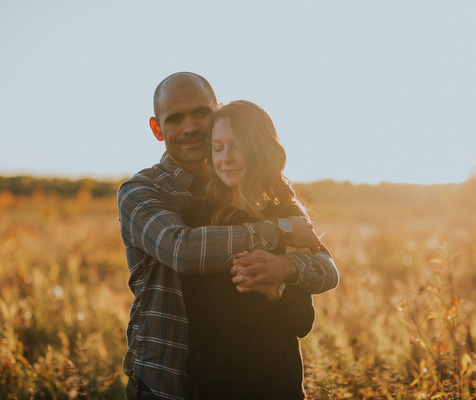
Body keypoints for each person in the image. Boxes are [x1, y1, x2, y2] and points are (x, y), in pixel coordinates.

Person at [117, 72, 339, 400]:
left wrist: (285, 270)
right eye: (175, 118)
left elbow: (323, 265)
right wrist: (279, 232)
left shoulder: (263, 195)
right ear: (157, 129)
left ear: (217, 113)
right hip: (165, 382)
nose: (190, 127)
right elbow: (184, 249)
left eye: (200, 113)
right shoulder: (142, 191)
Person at [182, 100, 320, 399]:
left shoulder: (286, 214)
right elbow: (231, 317)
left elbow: (302, 321)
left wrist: (275, 285)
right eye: (217, 148)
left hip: (282, 385)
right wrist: (280, 280)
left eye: (236, 146)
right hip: (218, 385)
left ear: (259, 148)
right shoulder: (200, 218)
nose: (226, 158)